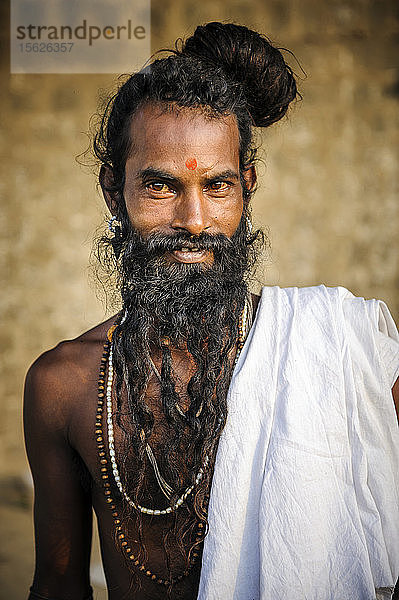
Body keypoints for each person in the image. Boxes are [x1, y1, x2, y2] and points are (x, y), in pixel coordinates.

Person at [24, 22, 399, 600]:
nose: (194, 220)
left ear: (246, 187)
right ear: (112, 189)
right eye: (160, 186)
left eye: (218, 187)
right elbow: (57, 584)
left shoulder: (339, 353)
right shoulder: (63, 386)